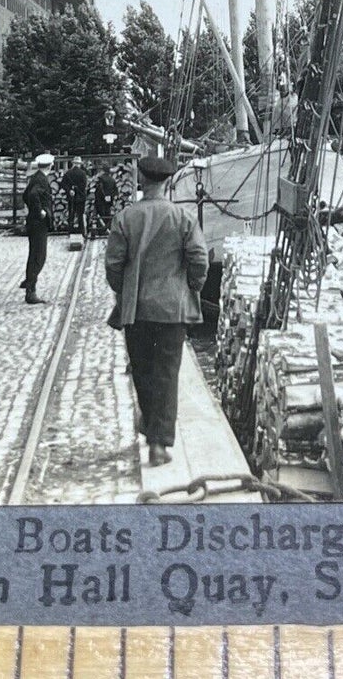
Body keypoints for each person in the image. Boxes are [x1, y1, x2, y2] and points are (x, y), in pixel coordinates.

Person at [105, 154, 208, 467]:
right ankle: (159, 443)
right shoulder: (184, 217)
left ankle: (151, 428)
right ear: (167, 182)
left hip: (137, 310)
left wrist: (126, 292)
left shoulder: (126, 217)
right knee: (166, 374)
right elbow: (199, 260)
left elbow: (113, 266)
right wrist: (191, 287)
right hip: (172, 310)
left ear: (142, 180)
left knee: (143, 371)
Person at [20, 153, 54, 304]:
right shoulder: (42, 179)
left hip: (33, 223)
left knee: (34, 255)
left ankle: (29, 282)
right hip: (38, 223)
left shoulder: (35, 177)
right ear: (50, 166)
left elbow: (25, 195)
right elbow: (32, 195)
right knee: (39, 257)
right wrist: (40, 211)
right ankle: (30, 291)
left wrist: (33, 210)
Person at [61, 156, 88, 238]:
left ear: (73, 164)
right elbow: (84, 185)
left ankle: (70, 232)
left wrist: (69, 190)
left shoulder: (68, 173)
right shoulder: (83, 173)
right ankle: (82, 232)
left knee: (71, 214)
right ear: (79, 164)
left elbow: (63, 184)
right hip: (80, 197)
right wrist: (78, 189)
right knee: (80, 215)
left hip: (71, 197)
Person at [92, 163, 119, 237]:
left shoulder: (100, 178)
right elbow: (115, 190)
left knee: (100, 215)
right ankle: (108, 229)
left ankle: (101, 230)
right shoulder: (112, 180)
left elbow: (99, 189)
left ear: (103, 170)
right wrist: (111, 197)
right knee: (108, 214)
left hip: (100, 200)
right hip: (109, 200)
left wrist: (102, 197)